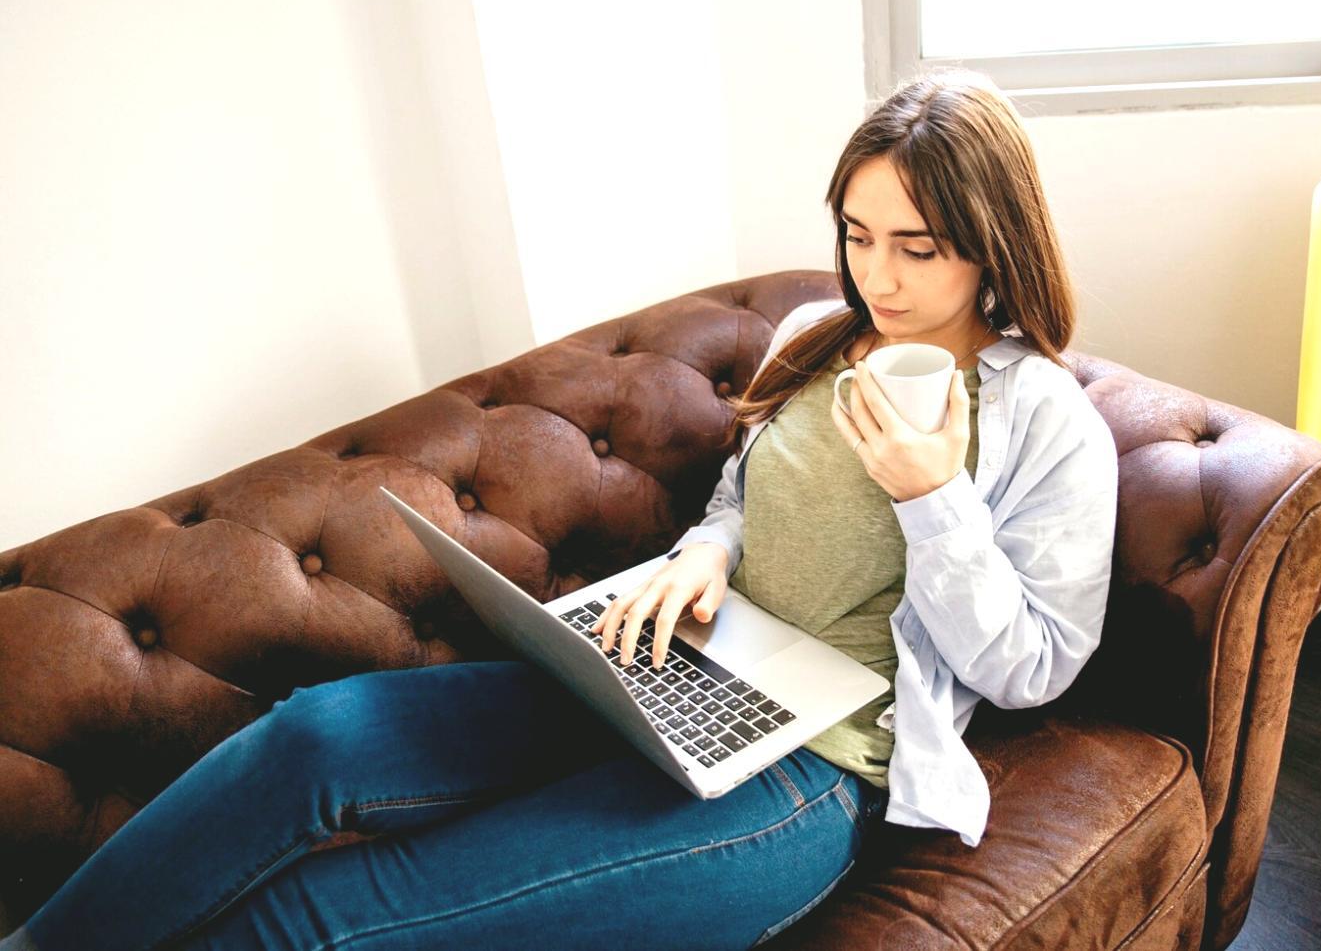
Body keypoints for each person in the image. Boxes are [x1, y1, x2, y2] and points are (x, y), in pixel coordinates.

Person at [0, 67, 1118, 951]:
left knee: (330, 917)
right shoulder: (810, 342)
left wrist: (933, 497)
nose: (878, 277)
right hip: (676, 671)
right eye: (858, 236)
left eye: (917, 248)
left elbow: (1031, 667)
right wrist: (707, 554)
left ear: (992, 241)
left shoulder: (1046, 422)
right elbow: (739, 497)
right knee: (312, 740)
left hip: (809, 773)